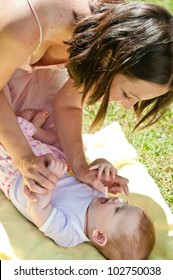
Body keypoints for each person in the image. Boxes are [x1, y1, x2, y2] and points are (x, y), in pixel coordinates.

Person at [0, 1, 173, 197]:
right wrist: (25, 158)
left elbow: (69, 104)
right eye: (127, 94)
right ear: (109, 58)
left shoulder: (108, 33)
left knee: (42, 135)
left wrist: (81, 167)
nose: (126, 106)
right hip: (13, 37)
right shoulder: (25, 23)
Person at [0, 110, 155, 260]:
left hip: (17, 175)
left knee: (8, 145)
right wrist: (104, 168)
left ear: (99, 235)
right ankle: (33, 132)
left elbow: (37, 210)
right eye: (125, 203)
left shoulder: (70, 233)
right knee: (63, 149)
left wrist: (52, 179)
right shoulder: (99, 196)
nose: (118, 200)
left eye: (118, 210)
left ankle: (24, 129)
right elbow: (87, 171)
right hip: (47, 159)